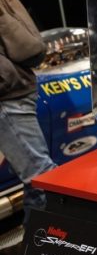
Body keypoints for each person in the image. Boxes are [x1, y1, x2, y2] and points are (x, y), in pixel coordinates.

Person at [0, 28, 56, 225]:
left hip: (7, 95)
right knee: (41, 178)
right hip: (18, 86)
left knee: (42, 179)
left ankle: (43, 239)